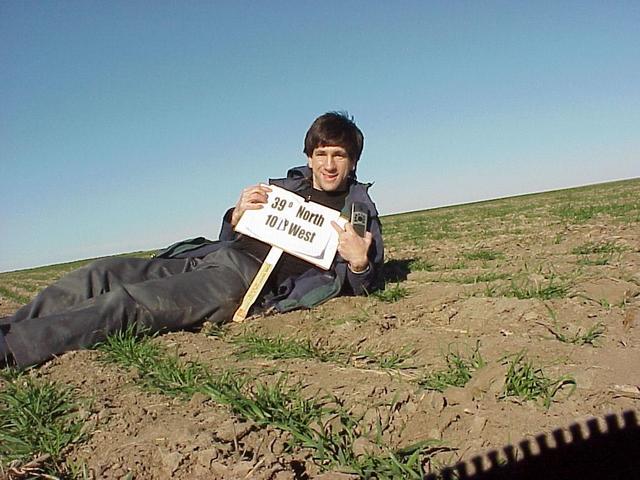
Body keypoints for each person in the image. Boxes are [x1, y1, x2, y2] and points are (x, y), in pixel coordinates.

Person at [0, 112, 384, 368]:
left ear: (353, 161)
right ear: (310, 155)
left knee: (132, 303)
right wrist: (235, 217)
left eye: (339, 155)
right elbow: (231, 235)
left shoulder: (357, 213)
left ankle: (13, 348)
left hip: (244, 280)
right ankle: (12, 327)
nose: (329, 164)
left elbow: (365, 282)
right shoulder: (284, 187)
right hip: (213, 255)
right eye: (322, 153)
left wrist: (359, 264)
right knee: (103, 273)